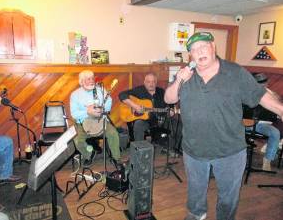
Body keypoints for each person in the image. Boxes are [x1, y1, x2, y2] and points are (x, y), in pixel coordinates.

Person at [164, 32, 283, 220]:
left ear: (213, 48)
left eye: (203, 46)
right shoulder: (186, 75)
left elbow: (259, 95)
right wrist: (179, 79)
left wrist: (281, 109)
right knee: (195, 195)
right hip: (194, 151)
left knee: (228, 198)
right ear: (191, 56)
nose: (199, 51)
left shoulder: (234, 72)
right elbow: (169, 98)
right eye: (194, 50)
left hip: (229, 152)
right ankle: (197, 214)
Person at [70, 70, 121, 167]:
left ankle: (116, 158)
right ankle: (89, 154)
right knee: (78, 141)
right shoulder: (75, 95)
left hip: (101, 120)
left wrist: (102, 110)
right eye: (88, 79)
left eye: (92, 78)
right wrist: (87, 111)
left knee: (113, 133)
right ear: (81, 82)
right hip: (83, 123)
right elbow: (74, 114)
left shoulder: (100, 90)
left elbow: (108, 106)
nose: (91, 81)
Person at [119, 72, 173, 143]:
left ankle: (168, 146)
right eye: (148, 82)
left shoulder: (161, 92)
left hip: (158, 120)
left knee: (174, 124)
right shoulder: (139, 90)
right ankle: (139, 148)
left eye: (153, 82)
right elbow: (122, 95)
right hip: (144, 121)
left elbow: (169, 103)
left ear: (156, 82)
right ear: (144, 82)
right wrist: (135, 106)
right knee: (138, 124)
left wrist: (171, 110)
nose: (151, 84)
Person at [245, 73, 281, 171]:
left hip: (262, 124)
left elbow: (278, 108)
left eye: (264, 84)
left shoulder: (272, 94)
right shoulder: (246, 92)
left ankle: (267, 160)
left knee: (275, 132)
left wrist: (274, 98)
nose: (262, 86)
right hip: (245, 123)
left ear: (267, 84)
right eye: (260, 84)